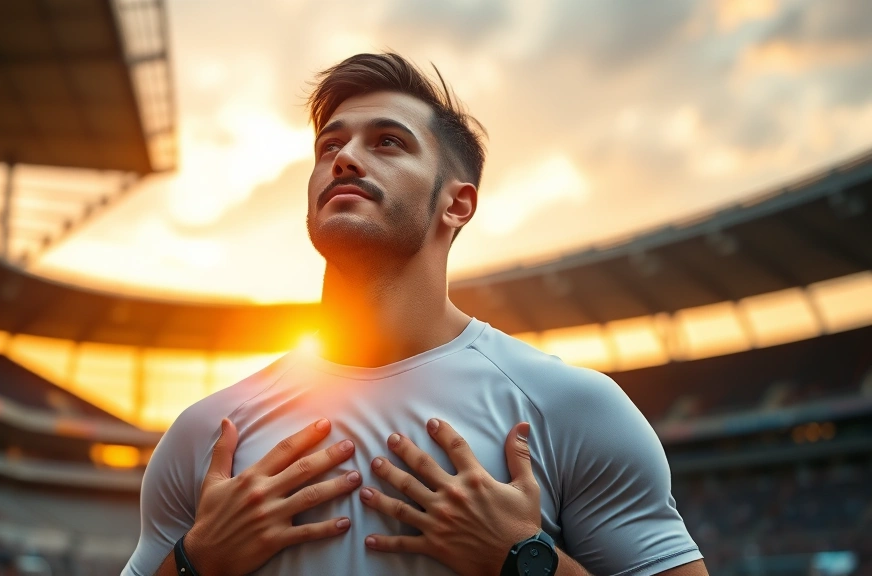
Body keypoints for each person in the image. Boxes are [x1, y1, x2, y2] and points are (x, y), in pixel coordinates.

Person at [123, 53, 707, 576]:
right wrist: (196, 564)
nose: (345, 159)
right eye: (330, 146)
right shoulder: (208, 431)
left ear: (457, 203)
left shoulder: (571, 409)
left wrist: (527, 562)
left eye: (387, 142)